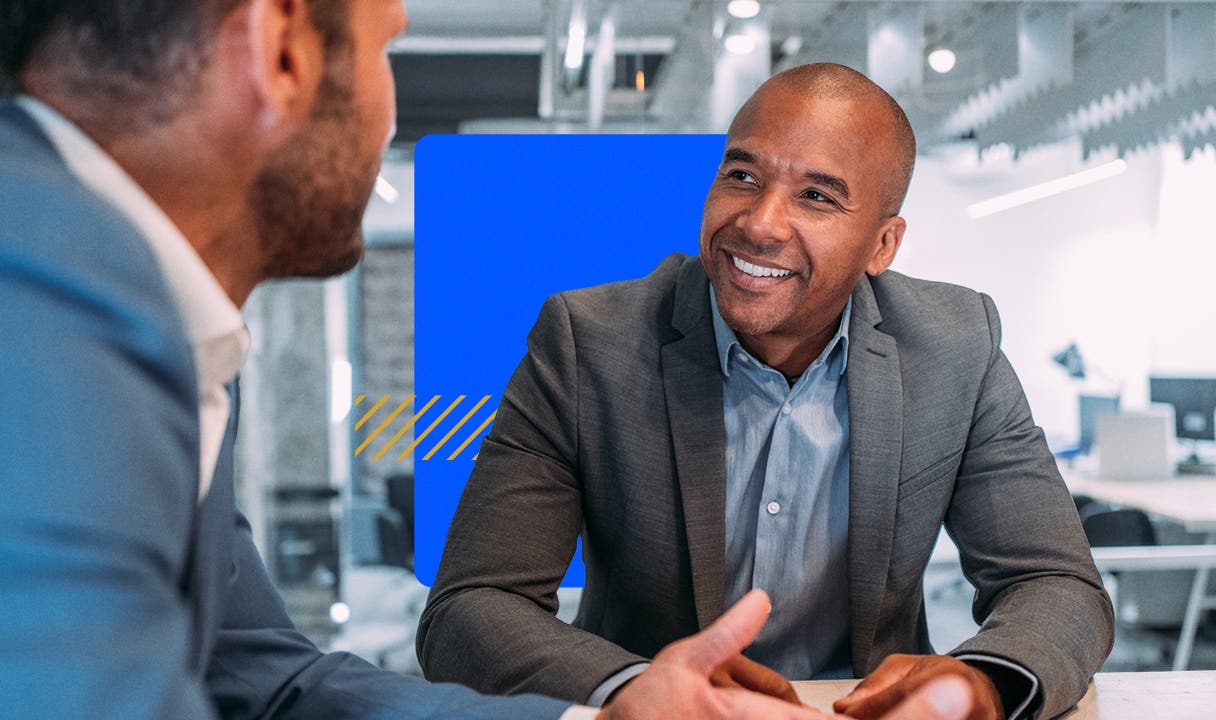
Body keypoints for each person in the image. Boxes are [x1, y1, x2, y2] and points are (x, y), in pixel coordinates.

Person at [0, 4, 975, 719]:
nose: (390, 116)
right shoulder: (47, 313)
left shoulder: (161, 332)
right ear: (282, 47)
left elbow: (269, 680)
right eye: (389, 47)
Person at [418, 63, 1114, 720]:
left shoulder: (956, 345)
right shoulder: (586, 343)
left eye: (817, 195)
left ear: (882, 245)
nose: (759, 222)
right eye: (743, 175)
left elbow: (1057, 584)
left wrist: (985, 682)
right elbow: (471, 608)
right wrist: (635, 687)